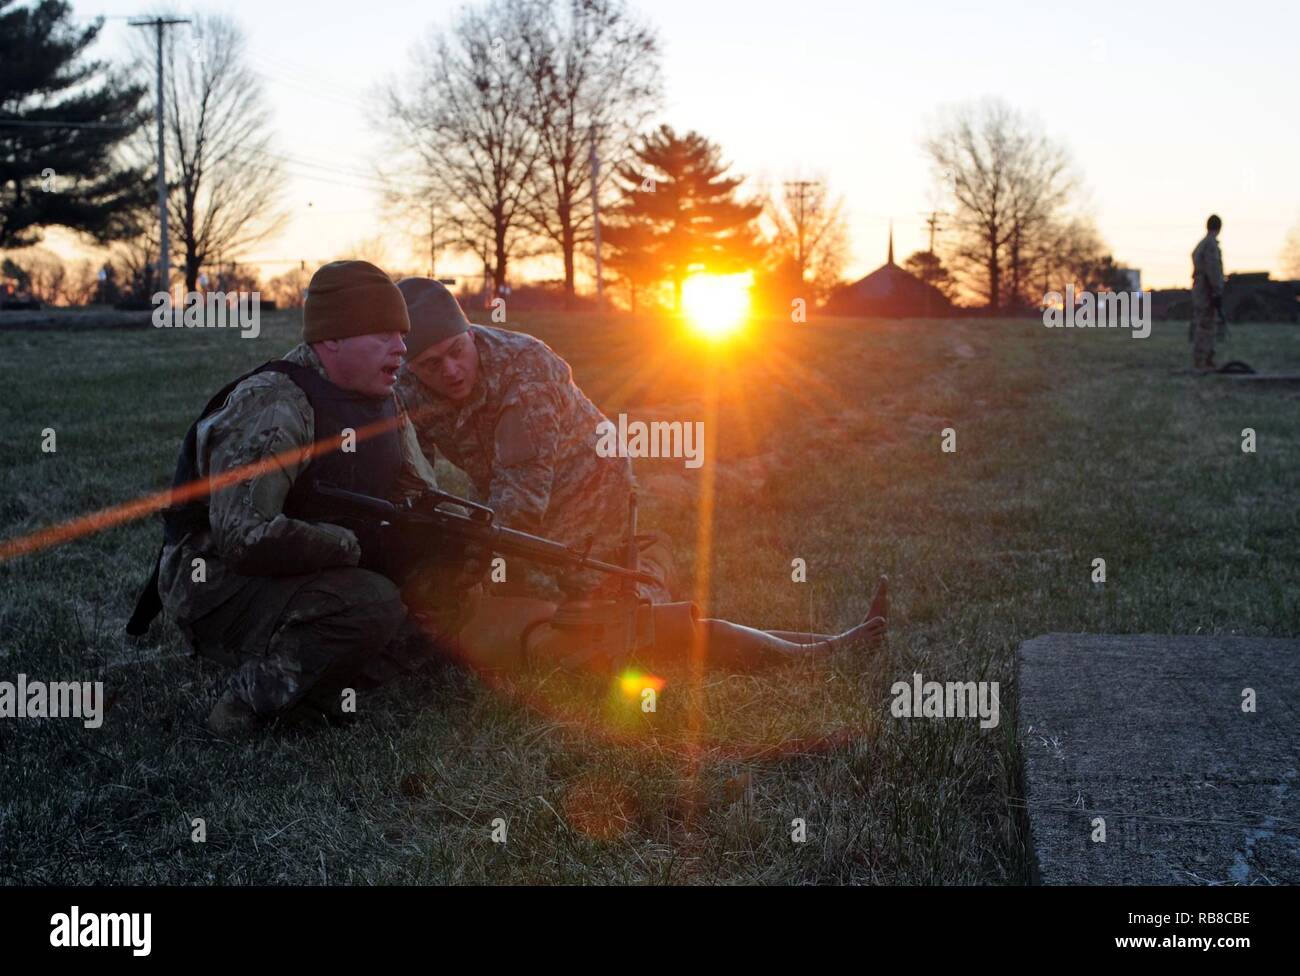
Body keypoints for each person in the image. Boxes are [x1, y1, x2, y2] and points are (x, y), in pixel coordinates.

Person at [132, 260, 447, 735]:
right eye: (384, 333)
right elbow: (245, 538)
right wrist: (352, 545)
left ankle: (328, 677)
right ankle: (248, 703)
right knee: (370, 602)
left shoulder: (383, 397)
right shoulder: (274, 405)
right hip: (217, 582)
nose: (402, 348)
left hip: (308, 561)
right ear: (332, 339)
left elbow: (418, 492)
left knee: (447, 573)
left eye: (402, 334)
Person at [393, 278, 674, 604]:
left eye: (457, 351)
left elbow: (522, 494)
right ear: (410, 366)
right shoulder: (404, 388)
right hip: (496, 481)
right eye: (432, 364)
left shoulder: (525, 368)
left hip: (592, 480)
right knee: (505, 594)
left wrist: (474, 556)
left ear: (470, 334)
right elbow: (415, 481)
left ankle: (654, 565)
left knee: (595, 602)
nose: (452, 371)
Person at [1191, 214, 1226, 369]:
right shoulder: (1211, 245)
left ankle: (1202, 358)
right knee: (1207, 324)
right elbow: (1213, 269)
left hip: (1200, 288)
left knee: (1202, 323)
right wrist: (1217, 290)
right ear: (1219, 228)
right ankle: (1204, 360)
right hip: (1207, 290)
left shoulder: (1201, 245)